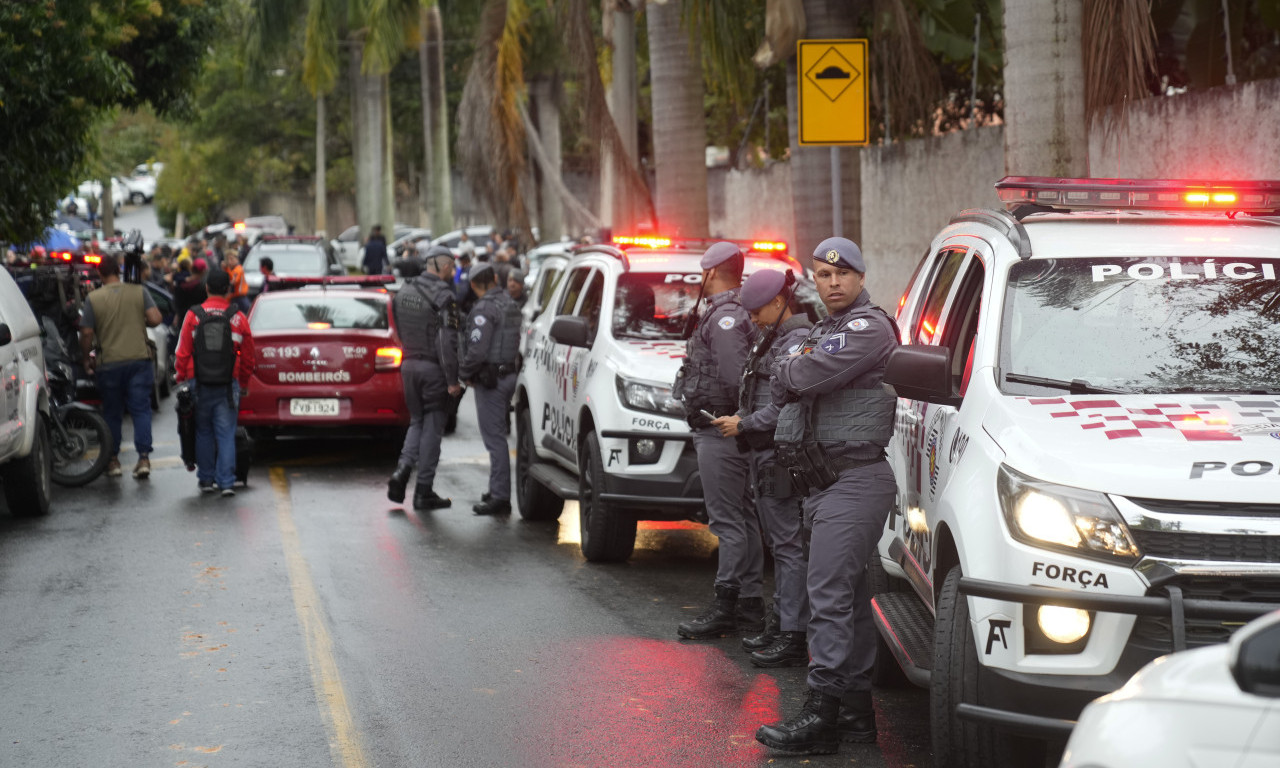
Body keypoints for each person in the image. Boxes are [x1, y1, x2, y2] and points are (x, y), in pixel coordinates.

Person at [753, 237, 898, 755]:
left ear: (859, 276)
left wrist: (794, 367)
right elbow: (784, 374)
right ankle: (855, 718)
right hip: (821, 485)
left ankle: (821, 712)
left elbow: (802, 373)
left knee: (827, 599)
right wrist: (794, 367)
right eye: (822, 274)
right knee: (848, 601)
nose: (832, 282)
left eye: (842, 274)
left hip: (855, 480)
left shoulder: (868, 326)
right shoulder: (820, 330)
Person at [711, 268, 813, 667]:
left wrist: (745, 423)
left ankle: (793, 632)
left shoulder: (796, 341)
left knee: (788, 547)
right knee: (780, 545)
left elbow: (787, 404)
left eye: (756, 311)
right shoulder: (773, 337)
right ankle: (781, 623)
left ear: (778, 302)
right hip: (765, 452)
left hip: (780, 453)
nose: (750, 319)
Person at [672, 241, 764, 639]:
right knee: (743, 519)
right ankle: (749, 604)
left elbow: (734, 377)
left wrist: (736, 420)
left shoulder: (725, 317)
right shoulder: (737, 310)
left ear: (711, 272)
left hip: (721, 431)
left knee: (728, 522)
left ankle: (728, 604)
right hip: (730, 431)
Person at [386, 246, 461, 510]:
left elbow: (396, 330)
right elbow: (446, 341)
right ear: (441, 266)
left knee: (416, 422)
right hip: (433, 371)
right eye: (451, 267)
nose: (452, 271)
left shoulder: (403, 291)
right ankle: (423, 490)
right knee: (432, 428)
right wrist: (453, 379)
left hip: (408, 367)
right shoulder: (444, 296)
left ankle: (402, 471)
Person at [78, 254, 164, 479]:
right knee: (141, 410)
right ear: (119, 270)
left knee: (113, 413)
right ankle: (144, 458)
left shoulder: (93, 299)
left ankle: (113, 461)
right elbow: (155, 318)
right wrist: (138, 320)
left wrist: (86, 358)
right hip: (138, 360)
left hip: (109, 364)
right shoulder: (138, 291)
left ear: (100, 274)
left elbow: (86, 332)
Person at [173, 269, 255, 496]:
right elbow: (249, 356)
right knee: (226, 433)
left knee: (203, 432)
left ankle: (206, 479)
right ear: (228, 289)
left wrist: (182, 377)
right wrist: (245, 381)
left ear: (207, 288)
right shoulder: (238, 317)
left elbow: (182, 353)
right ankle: (227, 482)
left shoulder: (194, 315)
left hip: (198, 382)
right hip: (229, 384)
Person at [458, 263, 522, 515]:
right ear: (495, 279)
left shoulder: (484, 309)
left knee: (494, 439)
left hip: (492, 381)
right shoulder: (510, 303)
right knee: (500, 437)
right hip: (510, 375)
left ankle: (500, 497)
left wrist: (462, 374)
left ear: (474, 285)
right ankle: (496, 487)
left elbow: (477, 350)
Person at [173, 257, 208, 326]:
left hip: (184, 320)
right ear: (203, 271)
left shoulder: (181, 283)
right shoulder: (203, 287)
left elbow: (177, 303)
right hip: (198, 321)